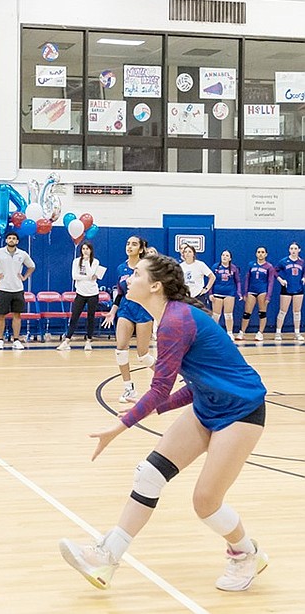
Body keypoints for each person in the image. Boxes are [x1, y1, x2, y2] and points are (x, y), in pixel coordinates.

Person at [60, 253, 268, 593]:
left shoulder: (176, 320)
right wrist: (160, 409)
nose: (130, 276)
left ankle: (246, 553)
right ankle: (106, 557)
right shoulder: (170, 318)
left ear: (155, 285)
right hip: (207, 405)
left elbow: (159, 389)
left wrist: (119, 426)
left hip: (241, 411)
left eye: (137, 273)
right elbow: (197, 384)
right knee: (150, 474)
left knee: (205, 502)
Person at [101, 235, 156, 404]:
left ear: (141, 249)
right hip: (125, 309)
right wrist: (113, 311)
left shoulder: (147, 267)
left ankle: (165, 375)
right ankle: (128, 388)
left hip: (144, 309)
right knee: (120, 348)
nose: (129, 246)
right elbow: (120, 292)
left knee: (143, 355)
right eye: (128, 243)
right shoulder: (121, 268)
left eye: (134, 244)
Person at [0, 232, 36, 350]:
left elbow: (32, 266)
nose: (11, 240)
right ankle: (0, 340)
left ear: (17, 241)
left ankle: (16, 340)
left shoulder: (22, 254)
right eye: (9, 238)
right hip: (3, 288)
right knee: (1, 315)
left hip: (18, 289)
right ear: (6, 240)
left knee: (17, 315)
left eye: (14, 239)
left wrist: (25, 277)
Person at [58, 241, 103, 352]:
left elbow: (91, 274)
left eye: (87, 249)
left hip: (93, 293)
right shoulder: (76, 261)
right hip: (80, 293)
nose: (85, 251)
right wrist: (88, 277)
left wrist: (87, 263)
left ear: (91, 250)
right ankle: (67, 340)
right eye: (83, 249)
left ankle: (88, 341)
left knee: (90, 317)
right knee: (75, 316)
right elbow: (74, 276)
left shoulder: (95, 262)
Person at [239, 246, 275, 342]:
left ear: (266, 254)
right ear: (256, 254)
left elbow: (271, 281)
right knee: (247, 313)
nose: (260, 254)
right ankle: (242, 332)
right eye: (258, 252)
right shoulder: (251, 265)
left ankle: (260, 333)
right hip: (251, 290)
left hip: (262, 291)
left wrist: (268, 296)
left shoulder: (269, 267)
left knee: (262, 313)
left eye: (262, 252)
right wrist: (245, 293)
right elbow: (247, 279)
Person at [273, 241, 304, 342]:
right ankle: (278, 332)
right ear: (289, 250)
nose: (293, 251)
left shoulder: (302, 262)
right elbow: (274, 271)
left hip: (298, 289)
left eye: (295, 249)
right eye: (291, 249)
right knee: (283, 311)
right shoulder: (283, 261)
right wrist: (280, 280)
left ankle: (297, 332)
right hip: (286, 289)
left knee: (297, 312)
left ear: (299, 250)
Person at [210, 250, 243, 339]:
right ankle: (213, 334)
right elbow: (211, 280)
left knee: (228, 314)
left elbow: (238, 281)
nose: (224, 257)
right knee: (216, 315)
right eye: (223, 255)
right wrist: (210, 293)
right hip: (217, 293)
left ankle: (230, 333)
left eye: (227, 255)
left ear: (230, 258)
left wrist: (239, 292)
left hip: (229, 293)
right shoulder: (215, 267)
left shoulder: (234, 268)